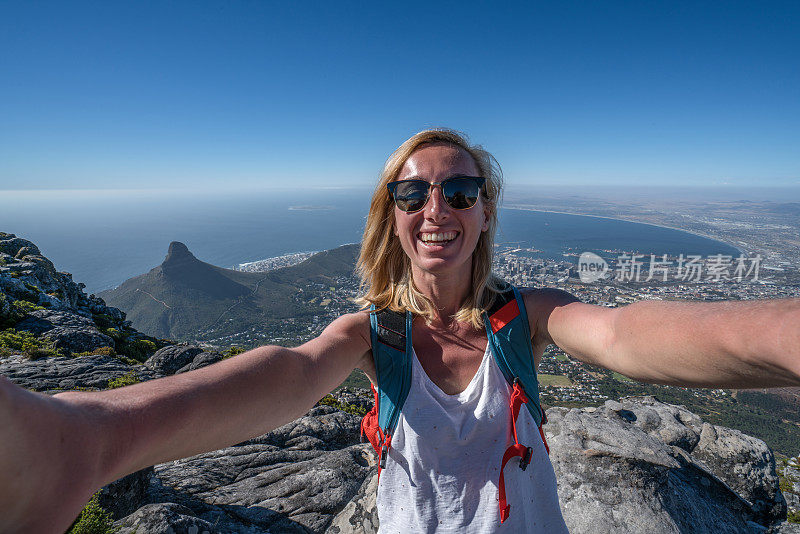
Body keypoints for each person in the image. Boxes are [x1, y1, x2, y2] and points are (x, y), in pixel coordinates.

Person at [1, 129, 799, 533]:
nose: (436, 209)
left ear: (485, 212)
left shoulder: (532, 319)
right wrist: (91, 436)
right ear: (393, 213)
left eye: (460, 190)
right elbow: (285, 372)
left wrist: (782, 334)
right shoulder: (368, 337)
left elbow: (628, 337)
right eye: (413, 193)